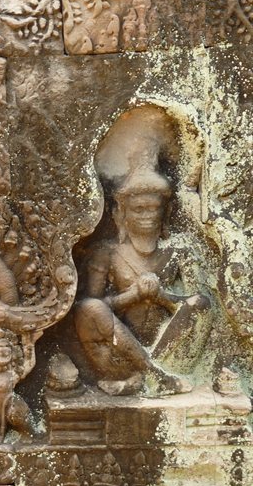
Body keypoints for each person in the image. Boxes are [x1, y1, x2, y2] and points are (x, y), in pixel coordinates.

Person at [74, 167, 207, 395]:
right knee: (89, 308)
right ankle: (152, 376)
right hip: (120, 355)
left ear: (166, 211)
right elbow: (93, 308)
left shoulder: (179, 250)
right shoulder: (107, 252)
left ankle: (149, 378)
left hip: (169, 353)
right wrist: (133, 295)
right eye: (138, 209)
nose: (148, 216)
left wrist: (161, 296)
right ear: (121, 213)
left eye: (155, 208)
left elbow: (194, 301)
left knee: (201, 303)